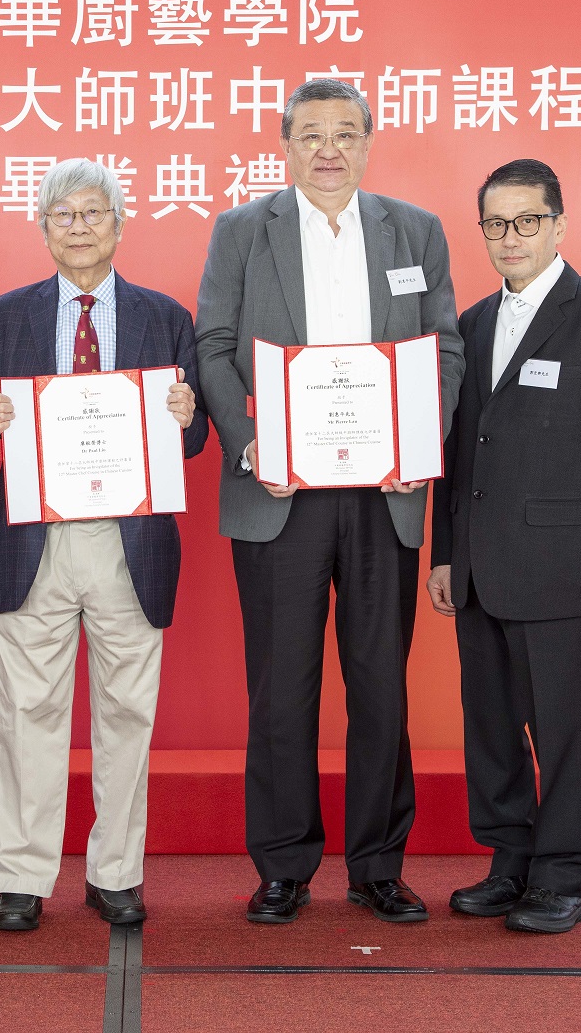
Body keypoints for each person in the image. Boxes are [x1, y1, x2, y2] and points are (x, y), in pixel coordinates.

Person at [194, 79, 464, 925]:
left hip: (386, 494)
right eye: (310, 134)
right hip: (280, 492)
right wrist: (252, 445)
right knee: (282, 690)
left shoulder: (415, 230)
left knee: (380, 686)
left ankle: (378, 865)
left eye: (345, 133)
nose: (328, 150)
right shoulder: (243, 229)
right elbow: (214, 345)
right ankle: (283, 866)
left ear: (369, 143)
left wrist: (419, 442)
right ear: (285, 145)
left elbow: (445, 349)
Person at [0, 158, 207, 931]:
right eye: (63, 214)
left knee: (127, 711)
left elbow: (196, 434)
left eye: (94, 212)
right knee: (27, 709)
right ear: (42, 227)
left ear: (119, 225)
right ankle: (22, 877)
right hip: (36, 538)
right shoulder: (5, 315)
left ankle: (115, 873)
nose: (79, 227)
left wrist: (186, 414)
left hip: (132, 540)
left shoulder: (165, 316)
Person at [428, 159, 581, 933]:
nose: (511, 237)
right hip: (479, 568)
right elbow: (456, 453)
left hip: (561, 565)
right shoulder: (471, 325)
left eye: (527, 220)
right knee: (491, 727)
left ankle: (564, 874)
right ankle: (511, 861)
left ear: (558, 225)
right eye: (496, 223)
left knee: (563, 727)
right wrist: (444, 553)